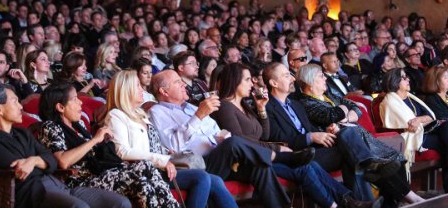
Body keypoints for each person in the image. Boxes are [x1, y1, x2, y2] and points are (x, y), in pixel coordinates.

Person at [211, 63, 376, 208]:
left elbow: (263, 134)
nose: (252, 82)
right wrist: (278, 148)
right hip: (250, 161)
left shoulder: (246, 106)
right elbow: (240, 141)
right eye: (247, 79)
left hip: (270, 154)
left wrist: (261, 109)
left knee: (345, 146)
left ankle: (353, 199)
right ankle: (347, 200)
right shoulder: (225, 106)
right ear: (234, 81)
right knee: (307, 165)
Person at [148, 69, 292, 208]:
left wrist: (225, 140)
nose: (184, 84)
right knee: (234, 142)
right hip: (200, 165)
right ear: (164, 91)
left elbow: (218, 132)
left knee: (259, 166)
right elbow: (174, 144)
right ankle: (277, 156)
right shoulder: (158, 112)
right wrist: (198, 116)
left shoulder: (191, 107)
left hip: (223, 158)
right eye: (177, 82)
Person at [0, 84, 130, 208]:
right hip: (31, 192)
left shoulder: (23, 134)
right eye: (15, 101)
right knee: (79, 206)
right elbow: (19, 170)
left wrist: (34, 161)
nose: (21, 107)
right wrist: (41, 162)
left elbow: (52, 159)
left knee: (121, 203)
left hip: (59, 184)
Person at [104, 70, 238, 208]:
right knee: (201, 177)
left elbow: (151, 144)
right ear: (125, 90)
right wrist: (163, 159)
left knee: (214, 180)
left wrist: (167, 152)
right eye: (137, 85)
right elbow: (123, 151)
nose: (142, 90)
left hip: (157, 167)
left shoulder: (139, 114)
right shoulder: (116, 115)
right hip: (140, 173)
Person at [295, 64, 423, 207]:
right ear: (310, 81)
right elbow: (332, 115)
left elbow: (356, 108)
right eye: (321, 75)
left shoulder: (328, 95)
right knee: (358, 154)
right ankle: (409, 197)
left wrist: (347, 117)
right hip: (340, 142)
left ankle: (394, 200)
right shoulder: (306, 102)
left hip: (357, 138)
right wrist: (344, 109)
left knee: (393, 158)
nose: (325, 78)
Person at [37, 83, 177, 207]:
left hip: (100, 174)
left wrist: (103, 142)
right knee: (139, 180)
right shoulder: (50, 127)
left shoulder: (77, 125)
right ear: (61, 107)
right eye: (74, 99)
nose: (80, 103)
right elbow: (63, 161)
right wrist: (95, 140)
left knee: (146, 169)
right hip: (80, 180)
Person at [379, 68, 448, 192]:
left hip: (424, 133)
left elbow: (431, 116)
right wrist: (422, 120)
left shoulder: (411, 97)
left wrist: (420, 119)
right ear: (394, 81)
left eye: (407, 76)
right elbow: (410, 124)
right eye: (404, 77)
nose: (408, 79)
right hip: (409, 137)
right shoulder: (390, 100)